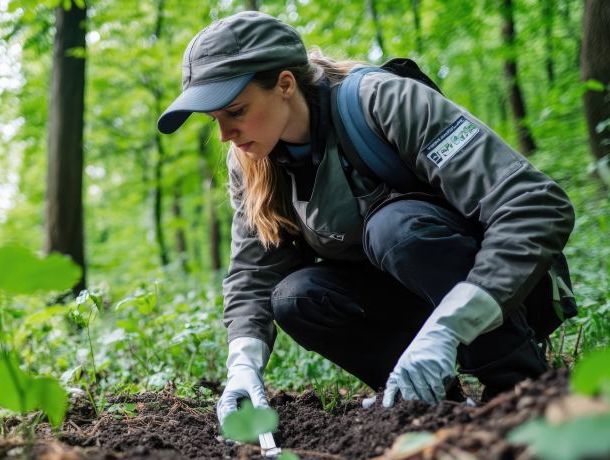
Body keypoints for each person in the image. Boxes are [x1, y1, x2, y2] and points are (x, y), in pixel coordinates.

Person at [156, 11, 576, 426]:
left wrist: (448, 328)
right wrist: (243, 366)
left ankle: (518, 385)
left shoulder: (384, 100)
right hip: (406, 303)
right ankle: (425, 402)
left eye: (236, 111)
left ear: (285, 84)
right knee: (296, 296)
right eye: (216, 121)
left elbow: (534, 205)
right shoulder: (250, 157)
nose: (226, 134)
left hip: (501, 292)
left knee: (396, 230)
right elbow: (254, 269)